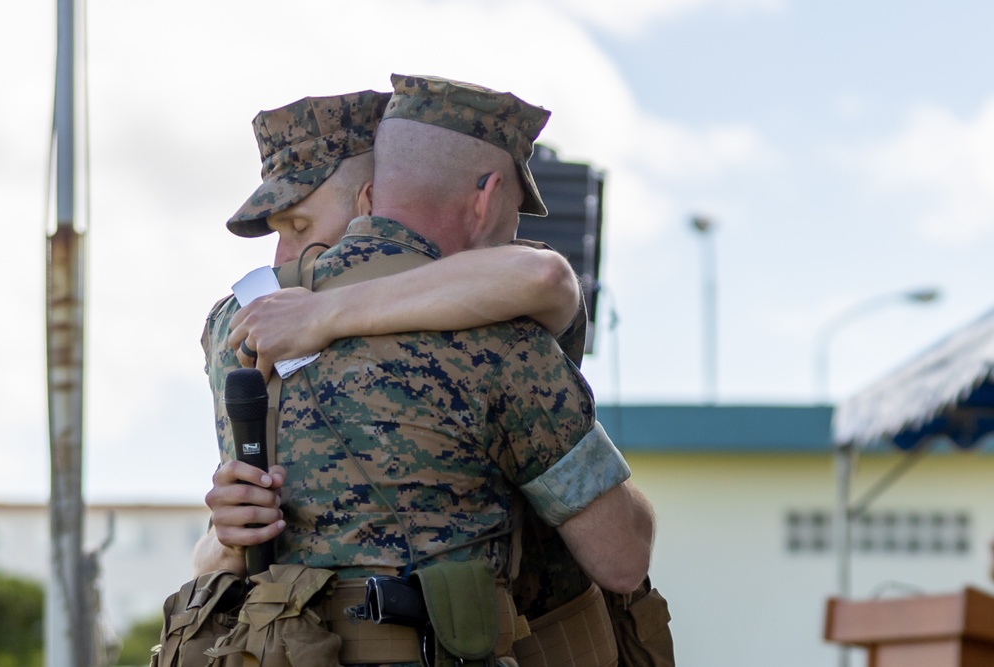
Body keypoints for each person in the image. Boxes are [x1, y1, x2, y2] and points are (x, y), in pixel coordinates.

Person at [196, 77, 659, 666]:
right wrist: (220, 541)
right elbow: (622, 559)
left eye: (300, 227)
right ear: (489, 197)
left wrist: (326, 312)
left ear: (371, 198)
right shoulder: (504, 338)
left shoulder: (236, 325)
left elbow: (544, 278)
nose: (283, 261)